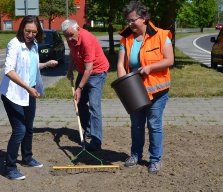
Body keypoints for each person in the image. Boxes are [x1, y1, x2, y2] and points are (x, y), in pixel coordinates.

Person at [117, 1, 174, 174]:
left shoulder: (161, 35)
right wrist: (123, 84)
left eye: (132, 20)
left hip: (157, 90)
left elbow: (169, 60)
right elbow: (121, 64)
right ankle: (135, 154)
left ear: (143, 18)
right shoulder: (126, 39)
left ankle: (155, 159)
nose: (130, 24)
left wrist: (150, 67)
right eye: (128, 20)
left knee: (154, 125)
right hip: (135, 91)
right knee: (137, 125)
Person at [0, 15, 58, 180]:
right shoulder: (14, 44)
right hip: (13, 94)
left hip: (29, 92)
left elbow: (31, 66)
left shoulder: (34, 45)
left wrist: (46, 64)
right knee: (20, 130)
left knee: (29, 128)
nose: (30, 34)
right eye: (27, 31)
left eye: (33, 31)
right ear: (21, 29)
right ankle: (9, 168)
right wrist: (27, 88)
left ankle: (27, 158)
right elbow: (9, 70)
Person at [60, 19, 109, 151]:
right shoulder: (71, 41)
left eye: (71, 35)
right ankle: (88, 129)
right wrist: (70, 70)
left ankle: (96, 139)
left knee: (94, 106)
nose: (69, 39)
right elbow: (71, 54)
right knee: (79, 102)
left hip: (97, 72)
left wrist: (80, 88)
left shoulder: (87, 40)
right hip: (83, 72)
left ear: (78, 29)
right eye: (66, 36)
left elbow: (89, 69)